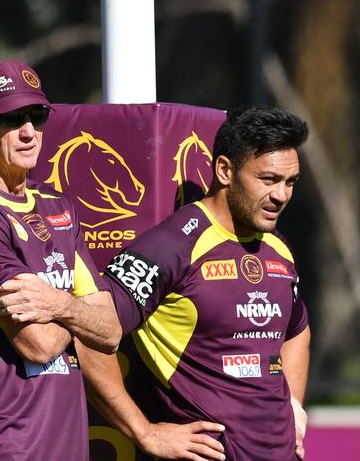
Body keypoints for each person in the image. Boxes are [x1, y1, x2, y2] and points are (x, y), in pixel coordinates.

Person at [76, 106, 311, 461]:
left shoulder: (278, 247)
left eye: (289, 182)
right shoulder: (173, 246)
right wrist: (145, 432)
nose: (281, 195)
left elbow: (297, 329)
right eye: (268, 180)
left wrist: (293, 408)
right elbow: (90, 334)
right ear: (224, 170)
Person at [0, 59, 121, 461]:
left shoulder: (58, 206)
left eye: (37, 116)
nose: (29, 131)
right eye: (11, 118)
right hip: (5, 443)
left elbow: (111, 329)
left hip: (65, 441)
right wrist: (80, 309)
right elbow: (39, 343)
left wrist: (57, 303)